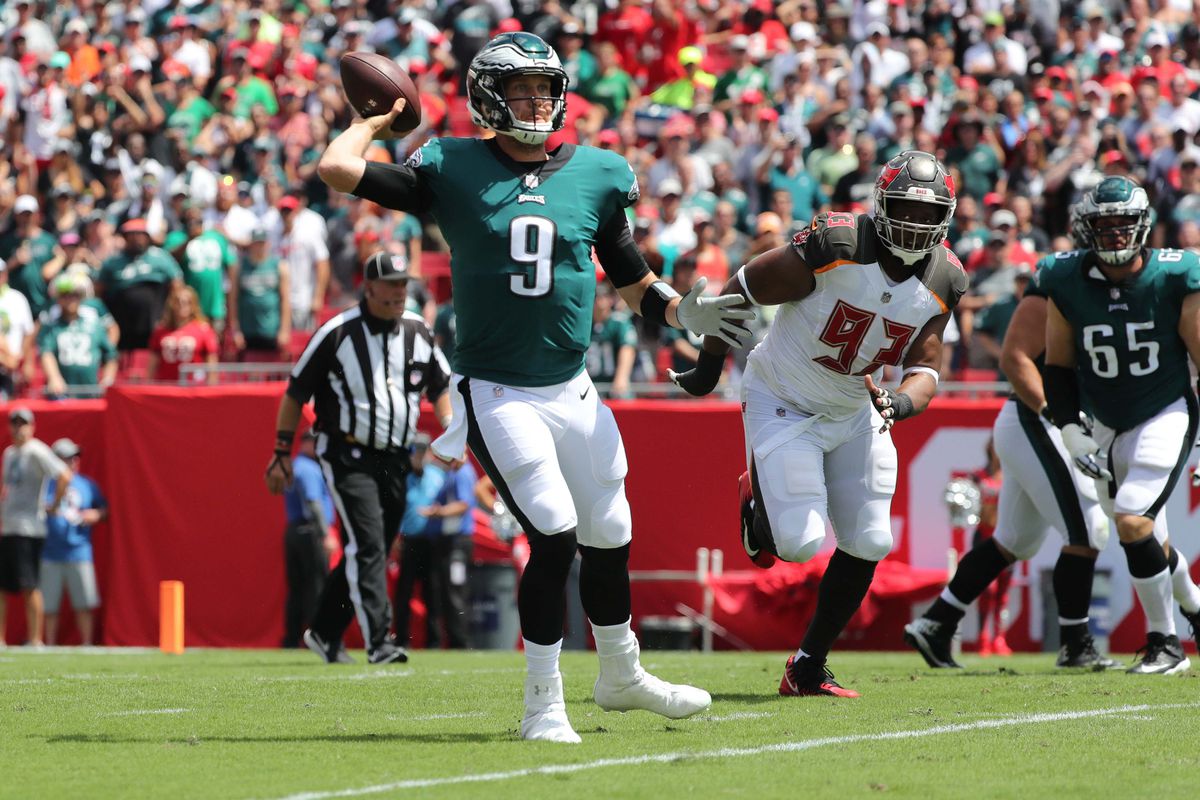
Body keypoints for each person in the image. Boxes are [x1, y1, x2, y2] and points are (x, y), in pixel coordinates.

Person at [316, 32, 753, 742]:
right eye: (521, 91)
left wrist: (681, 313)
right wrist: (375, 117)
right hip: (497, 389)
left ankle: (621, 675)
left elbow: (630, 276)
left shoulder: (599, 172)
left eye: (545, 90)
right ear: (489, 98)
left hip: (572, 386)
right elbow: (337, 168)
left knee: (611, 530)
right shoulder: (452, 164)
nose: (537, 103)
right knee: (552, 532)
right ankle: (543, 705)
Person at [670, 151, 966, 697]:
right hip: (783, 396)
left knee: (871, 539)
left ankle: (807, 666)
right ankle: (755, 504)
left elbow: (925, 369)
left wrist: (900, 402)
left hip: (855, 408)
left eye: (928, 215)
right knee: (799, 545)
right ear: (881, 206)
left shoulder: (944, 278)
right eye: (905, 209)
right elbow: (742, 288)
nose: (915, 224)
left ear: (945, 218)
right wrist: (708, 367)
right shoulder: (838, 245)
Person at [904, 264, 1123, 671]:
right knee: (1088, 529)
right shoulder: (1062, 291)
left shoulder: (1124, 302)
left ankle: (937, 622)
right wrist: (1054, 414)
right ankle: (1075, 644)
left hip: (1046, 422)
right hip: (1036, 418)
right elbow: (1015, 358)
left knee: (1014, 540)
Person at [1040, 176, 1200, 674]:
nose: (1114, 234)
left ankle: (1165, 643)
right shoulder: (1064, 276)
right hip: (1104, 422)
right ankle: (1196, 607)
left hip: (1164, 410)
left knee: (1131, 521)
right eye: (1104, 225)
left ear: (1143, 225)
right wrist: (1068, 427)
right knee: (1148, 537)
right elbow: (1057, 365)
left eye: (1123, 224)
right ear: (1086, 228)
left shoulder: (1176, 273)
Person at [265, 251, 452, 667]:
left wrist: (450, 429)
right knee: (367, 543)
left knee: (371, 547)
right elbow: (296, 392)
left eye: (404, 284)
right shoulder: (337, 332)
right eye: (391, 284)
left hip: (396, 457)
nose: (400, 292)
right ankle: (379, 641)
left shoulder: (418, 331)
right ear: (368, 287)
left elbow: (441, 385)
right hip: (347, 452)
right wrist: (281, 451)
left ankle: (324, 631)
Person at [0, 409, 72, 648]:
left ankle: (35, 639)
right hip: (9, 526)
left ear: (32, 426)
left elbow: (64, 475)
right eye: (14, 423)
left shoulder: (37, 450)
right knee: (2, 586)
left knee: (30, 584)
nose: (18, 428)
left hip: (29, 527)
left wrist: (55, 504)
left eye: (23, 423)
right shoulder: (9, 453)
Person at [39, 438, 106, 646]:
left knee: (84, 603)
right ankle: (49, 643)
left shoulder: (86, 484)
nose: (73, 461)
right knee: (49, 606)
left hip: (79, 551)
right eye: (67, 458)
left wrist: (95, 515)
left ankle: (86, 643)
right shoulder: (44, 484)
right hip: (50, 552)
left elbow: (103, 510)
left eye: (75, 457)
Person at [281, 429, 336, 652]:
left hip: (294, 531)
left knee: (297, 589)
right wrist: (326, 534)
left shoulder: (296, 466)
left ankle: (292, 638)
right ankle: (317, 637)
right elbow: (313, 503)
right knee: (316, 586)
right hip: (310, 532)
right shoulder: (309, 469)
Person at [391, 433, 446, 654]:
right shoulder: (402, 476)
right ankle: (401, 639)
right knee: (404, 592)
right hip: (409, 541)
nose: (420, 455)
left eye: (424, 450)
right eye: (417, 451)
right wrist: (395, 537)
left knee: (432, 592)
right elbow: (394, 508)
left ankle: (434, 641)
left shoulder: (437, 475)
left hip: (432, 541)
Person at [96, 218, 184, 351]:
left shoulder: (160, 257)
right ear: (125, 238)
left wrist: (170, 313)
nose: (136, 239)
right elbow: (99, 290)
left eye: (139, 235)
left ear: (147, 237)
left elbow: (177, 283)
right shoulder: (113, 262)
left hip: (155, 319)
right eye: (131, 235)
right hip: (123, 323)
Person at [423, 453, 477, 649]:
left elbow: (463, 504)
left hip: (458, 543)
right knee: (447, 592)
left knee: (455, 592)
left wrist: (439, 512)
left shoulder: (462, 472)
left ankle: (460, 642)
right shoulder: (453, 472)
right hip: (450, 542)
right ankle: (453, 640)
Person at [38, 274, 118, 398]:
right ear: (58, 298)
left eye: (74, 295)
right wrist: (54, 377)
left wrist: (107, 380)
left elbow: (111, 355)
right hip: (61, 395)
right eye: (65, 295)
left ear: (81, 297)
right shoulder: (52, 327)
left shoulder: (94, 326)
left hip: (92, 394)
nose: (70, 299)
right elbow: (46, 353)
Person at [146, 284, 220, 383]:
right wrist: (149, 384)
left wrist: (211, 386)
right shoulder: (161, 331)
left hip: (193, 386)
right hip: (166, 386)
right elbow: (152, 365)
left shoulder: (203, 330)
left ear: (193, 305)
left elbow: (211, 365)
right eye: (178, 301)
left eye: (186, 302)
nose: (181, 305)